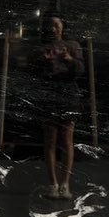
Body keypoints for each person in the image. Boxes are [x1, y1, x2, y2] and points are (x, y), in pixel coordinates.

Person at [32, 15, 84, 200]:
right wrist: (43, 61)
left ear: (63, 26)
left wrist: (69, 59)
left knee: (67, 140)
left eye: (56, 25)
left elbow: (81, 70)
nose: (53, 28)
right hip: (49, 93)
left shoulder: (73, 45)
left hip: (68, 94)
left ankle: (65, 184)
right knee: (50, 141)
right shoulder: (42, 47)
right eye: (50, 25)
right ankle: (53, 184)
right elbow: (34, 72)